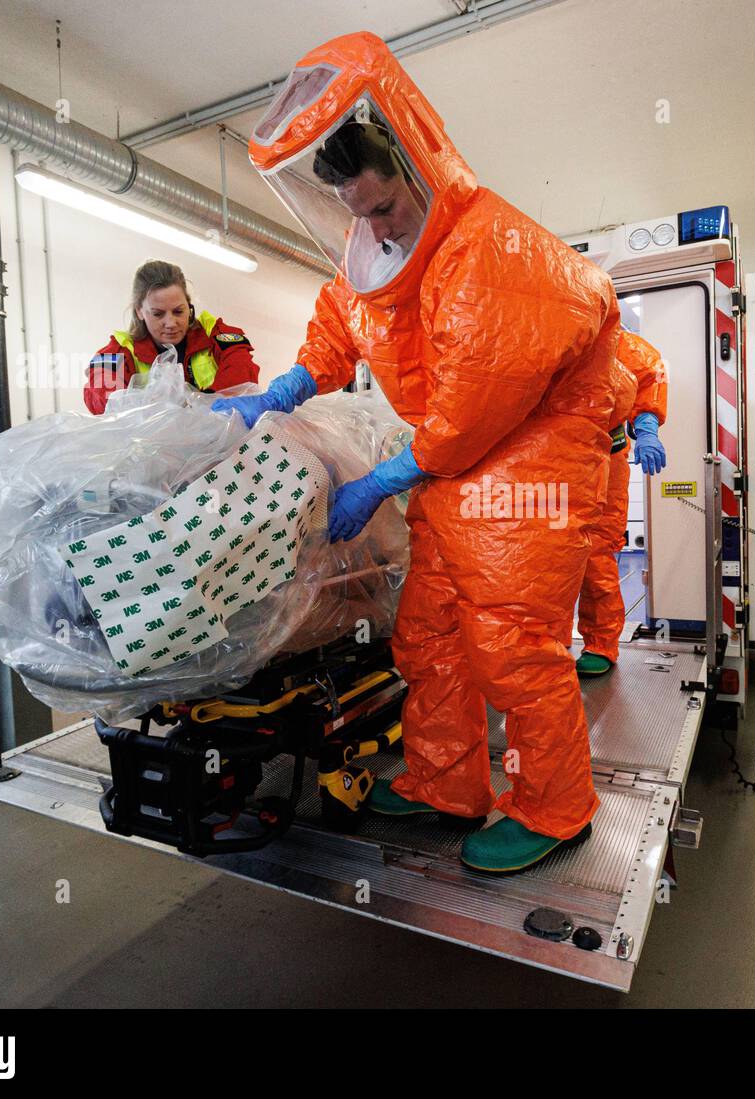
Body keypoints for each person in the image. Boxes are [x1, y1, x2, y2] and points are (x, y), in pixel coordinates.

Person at [212, 32, 619, 874]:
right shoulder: (386, 254)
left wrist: (393, 473)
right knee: (429, 632)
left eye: (388, 206)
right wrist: (289, 387)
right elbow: (343, 320)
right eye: (362, 214)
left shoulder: (488, 247)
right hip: (454, 469)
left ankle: (554, 805)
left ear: (419, 162)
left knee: (510, 641)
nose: (379, 225)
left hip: (527, 467)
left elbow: (473, 401)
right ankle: (447, 780)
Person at [575, 330, 667, 677]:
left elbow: (647, 377)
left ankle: (600, 643)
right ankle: (543, 643)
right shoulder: (544, 327)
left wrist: (646, 427)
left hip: (605, 460)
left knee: (597, 555)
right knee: (544, 555)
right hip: (550, 459)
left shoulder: (620, 342)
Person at [85, 260, 260, 414]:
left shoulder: (214, 334)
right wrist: (145, 411)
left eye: (178, 311)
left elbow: (242, 371)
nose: (170, 323)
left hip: (217, 444)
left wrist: (205, 405)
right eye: (158, 314)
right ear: (139, 311)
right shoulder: (120, 350)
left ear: (189, 305)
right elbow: (101, 395)